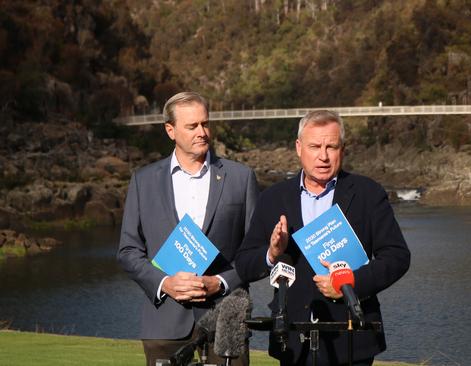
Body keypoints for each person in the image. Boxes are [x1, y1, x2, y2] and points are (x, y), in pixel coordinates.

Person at [235, 110, 410, 365]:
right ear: (298, 148)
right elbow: (244, 264)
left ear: (343, 149)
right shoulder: (272, 198)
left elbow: (397, 257)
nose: (323, 156)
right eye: (315, 146)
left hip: (352, 339)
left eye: (332, 146)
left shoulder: (368, 194)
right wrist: (271, 254)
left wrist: (350, 281)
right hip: (292, 340)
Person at [117, 91, 258, 366]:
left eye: (205, 124)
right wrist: (164, 283)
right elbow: (128, 250)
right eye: (192, 126)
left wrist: (221, 282)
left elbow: (255, 251)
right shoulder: (143, 181)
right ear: (170, 130)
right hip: (164, 322)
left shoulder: (241, 178)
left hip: (226, 320)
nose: (202, 132)